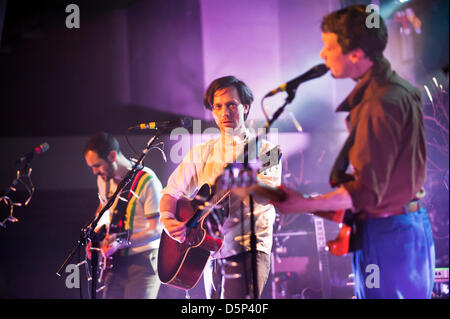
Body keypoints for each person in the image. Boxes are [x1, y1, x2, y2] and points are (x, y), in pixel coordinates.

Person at [272, 4, 435, 299]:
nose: (322, 54)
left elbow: (368, 191)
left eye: (328, 45)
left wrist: (300, 204)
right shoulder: (398, 89)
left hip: (387, 234)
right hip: (405, 228)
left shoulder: (377, 103)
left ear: (356, 53)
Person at [159, 76, 282, 299]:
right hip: (209, 252)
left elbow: (271, 196)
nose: (225, 112)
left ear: (245, 107)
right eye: (218, 106)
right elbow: (172, 191)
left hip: (248, 247)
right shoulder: (202, 152)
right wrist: (167, 220)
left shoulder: (267, 151)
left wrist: (250, 183)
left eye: (231, 105)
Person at [83, 132, 163, 299]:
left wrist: (120, 241)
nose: (94, 172)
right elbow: (104, 211)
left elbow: (157, 229)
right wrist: (95, 239)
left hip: (144, 263)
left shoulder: (147, 180)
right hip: (116, 262)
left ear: (112, 155)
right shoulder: (104, 180)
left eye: (97, 165)